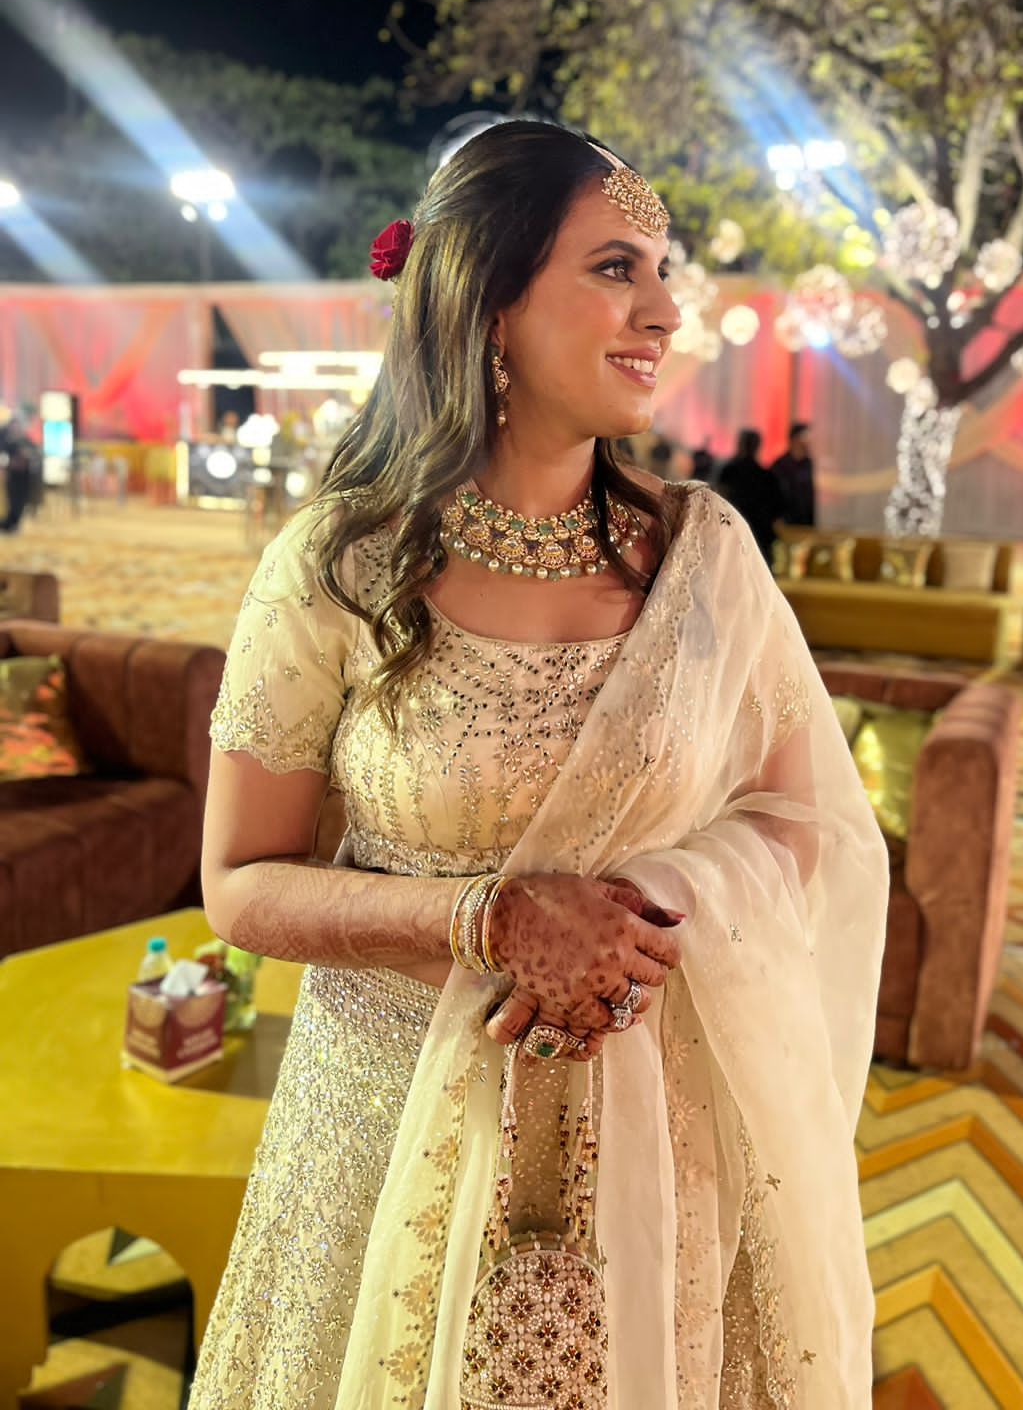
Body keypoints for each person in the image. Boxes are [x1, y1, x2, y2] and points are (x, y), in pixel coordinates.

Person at [193, 120, 888, 1410]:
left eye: (664, 271)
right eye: (618, 267)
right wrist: (487, 921)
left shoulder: (703, 558)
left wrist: (632, 927)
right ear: (491, 300)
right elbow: (238, 883)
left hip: (655, 1132)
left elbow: (804, 818)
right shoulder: (339, 565)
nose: (666, 309)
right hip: (391, 1130)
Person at [718, 427, 785, 561]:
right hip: (760, 538)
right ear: (758, 447)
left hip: (732, 536)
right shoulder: (767, 476)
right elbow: (778, 507)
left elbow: (719, 501)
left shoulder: (728, 473)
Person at [772, 421, 818, 527]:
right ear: (794, 440)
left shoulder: (808, 463)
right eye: (804, 439)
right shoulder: (780, 465)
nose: (808, 443)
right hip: (786, 521)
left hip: (805, 522)